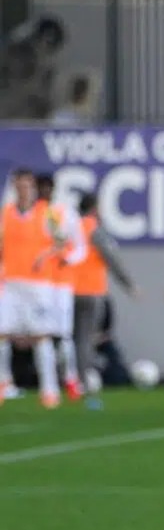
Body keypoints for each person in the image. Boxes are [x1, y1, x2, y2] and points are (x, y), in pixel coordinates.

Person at [0, 168, 67, 407]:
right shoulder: (6, 213)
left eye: (27, 185)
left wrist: (44, 255)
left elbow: (61, 241)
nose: (23, 189)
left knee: (40, 335)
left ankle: (49, 389)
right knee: (2, 332)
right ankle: (3, 382)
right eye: (19, 185)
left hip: (38, 285)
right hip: (11, 282)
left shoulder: (47, 212)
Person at [72, 192, 139, 408]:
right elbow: (111, 259)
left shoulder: (70, 228)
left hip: (66, 291)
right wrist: (129, 285)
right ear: (94, 208)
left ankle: (69, 379)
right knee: (85, 339)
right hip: (91, 291)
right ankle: (83, 381)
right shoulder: (94, 230)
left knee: (69, 339)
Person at [35, 172, 86, 400]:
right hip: (35, 283)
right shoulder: (30, 214)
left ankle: (71, 378)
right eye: (41, 187)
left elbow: (80, 247)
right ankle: (47, 384)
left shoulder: (66, 213)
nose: (44, 191)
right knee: (39, 334)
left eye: (48, 187)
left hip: (61, 282)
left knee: (63, 334)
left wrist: (68, 259)